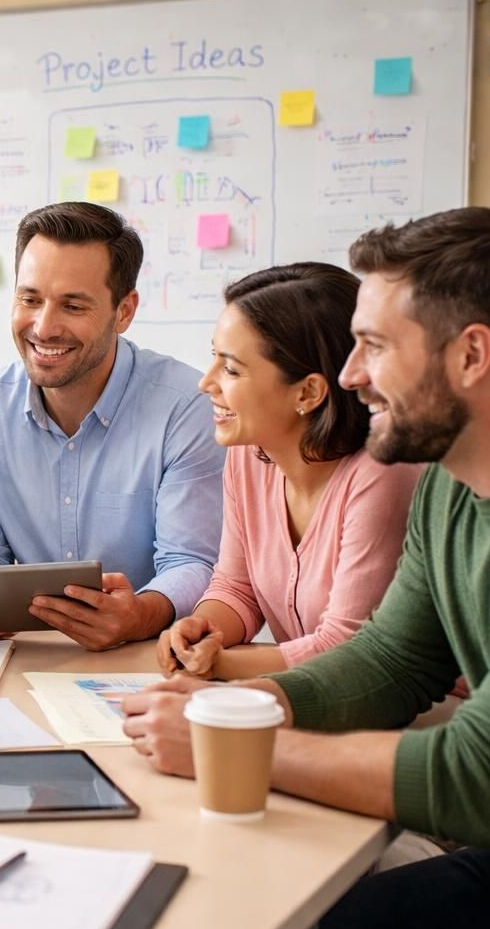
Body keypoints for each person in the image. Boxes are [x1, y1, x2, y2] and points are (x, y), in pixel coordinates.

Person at [119, 207, 490, 929]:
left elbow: (481, 779)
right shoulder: (452, 488)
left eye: (376, 347)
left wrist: (236, 745)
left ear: (472, 355)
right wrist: (235, 704)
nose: (350, 375)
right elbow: (391, 663)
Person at [0, 202, 224, 649]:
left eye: (73, 305)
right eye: (29, 299)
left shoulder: (186, 407)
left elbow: (192, 561)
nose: (44, 327)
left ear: (124, 311)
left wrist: (141, 615)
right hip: (27, 655)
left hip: (149, 656)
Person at [155, 263, 423, 680]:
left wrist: (221, 663)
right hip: (314, 703)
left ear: (308, 392)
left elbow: (346, 646)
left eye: (230, 369)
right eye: (214, 359)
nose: (205, 383)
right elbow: (236, 587)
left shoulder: (382, 472)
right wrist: (202, 630)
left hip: (427, 715)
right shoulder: (250, 455)